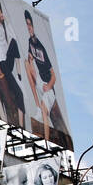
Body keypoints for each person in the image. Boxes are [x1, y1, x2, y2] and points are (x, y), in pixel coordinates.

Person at [23, 10, 66, 140]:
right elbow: (29, 70)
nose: (29, 27)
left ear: (33, 26)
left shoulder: (40, 46)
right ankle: (41, 137)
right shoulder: (30, 43)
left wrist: (50, 85)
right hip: (39, 87)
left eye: (30, 24)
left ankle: (46, 140)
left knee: (42, 109)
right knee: (38, 113)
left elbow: (54, 75)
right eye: (27, 25)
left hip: (48, 90)